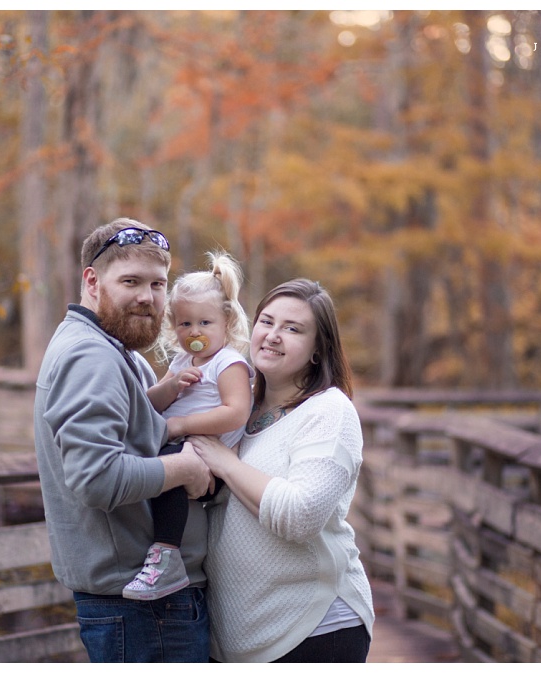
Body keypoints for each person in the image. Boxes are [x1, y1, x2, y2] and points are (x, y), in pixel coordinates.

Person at [33, 217, 213, 663]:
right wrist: (186, 468)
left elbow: (129, 432)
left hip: (143, 605)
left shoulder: (110, 348)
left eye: (157, 284)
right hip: (142, 608)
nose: (147, 297)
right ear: (92, 281)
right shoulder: (91, 355)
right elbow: (97, 478)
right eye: (130, 281)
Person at [190, 278, 375, 663]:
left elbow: (301, 515)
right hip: (239, 635)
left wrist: (225, 461)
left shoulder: (329, 411)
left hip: (315, 629)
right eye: (267, 322)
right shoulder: (237, 408)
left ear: (317, 350)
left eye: (293, 329)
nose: (273, 336)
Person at [124, 251, 254, 601]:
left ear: (226, 322)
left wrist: (181, 424)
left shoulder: (229, 363)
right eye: (185, 324)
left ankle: (166, 556)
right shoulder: (182, 361)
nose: (194, 332)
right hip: (178, 446)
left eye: (205, 323)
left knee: (169, 469)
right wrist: (171, 385)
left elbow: (236, 412)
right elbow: (149, 405)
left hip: (210, 462)